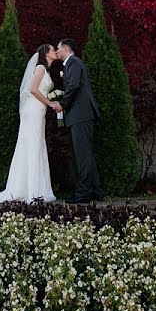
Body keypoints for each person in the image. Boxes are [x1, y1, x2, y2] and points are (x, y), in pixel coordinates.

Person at [0, 44, 59, 204]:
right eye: (53, 50)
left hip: (38, 111)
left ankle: (34, 188)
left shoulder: (45, 70)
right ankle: (32, 191)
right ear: (46, 53)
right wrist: (50, 103)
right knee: (32, 145)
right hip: (33, 110)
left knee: (36, 145)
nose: (55, 52)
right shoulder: (40, 68)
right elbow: (33, 89)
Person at [52, 38, 104, 203]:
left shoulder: (73, 62)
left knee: (82, 155)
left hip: (80, 114)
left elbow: (73, 86)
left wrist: (62, 104)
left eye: (58, 48)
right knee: (85, 154)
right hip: (80, 115)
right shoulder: (71, 64)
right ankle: (96, 190)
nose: (57, 51)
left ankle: (83, 194)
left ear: (66, 48)